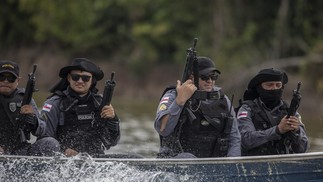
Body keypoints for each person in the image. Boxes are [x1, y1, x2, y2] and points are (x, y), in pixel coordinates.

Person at [155, 56, 241, 158]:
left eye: (213, 77)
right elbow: (162, 129)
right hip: (177, 161)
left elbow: (234, 137)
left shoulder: (223, 100)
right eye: (205, 77)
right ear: (192, 77)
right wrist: (180, 101)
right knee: (187, 158)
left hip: (212, 164)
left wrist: (232, 164)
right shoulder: (173, 95)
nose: (210, 81)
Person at [40, 58, 120, 157]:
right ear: (69, 78)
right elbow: (44, 141)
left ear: (92, 81)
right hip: (63, 161)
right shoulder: (54, 104)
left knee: (137, 159)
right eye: (75, 77)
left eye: (86, 78)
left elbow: (112, 142)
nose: (80, 81)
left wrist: (113, 119)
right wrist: (63, 150)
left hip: (96, 160)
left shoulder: (101, 104)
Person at [237, 68, 309, 156]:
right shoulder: (247, 109)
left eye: (278, 85)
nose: (274, 88)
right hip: (254, 163)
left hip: (284, 164)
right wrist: (278, 130)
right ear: (259, 87)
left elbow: (303, 149)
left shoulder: (290, 111)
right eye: (269, 85)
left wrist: (296, 131)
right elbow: (246, 140)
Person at [0, 60, 59, 156]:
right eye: (1, 77)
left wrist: (33, 119)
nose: (6, 81)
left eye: (11, 78)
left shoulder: (26, 99)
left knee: (50, 143)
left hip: (20, 151)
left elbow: (43, 131)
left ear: (18, 81)